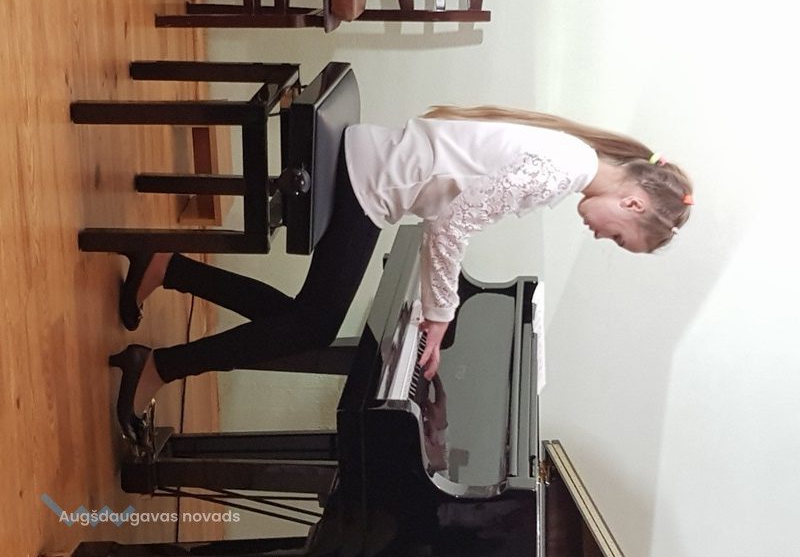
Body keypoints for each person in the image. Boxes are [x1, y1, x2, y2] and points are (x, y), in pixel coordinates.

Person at [109, 106, 694, 443]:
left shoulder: (571, 158)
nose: (602, 237)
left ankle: (169, 268)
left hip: (374, 171)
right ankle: (159, 365)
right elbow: (449, 225)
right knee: (311, 326)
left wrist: (441, 303)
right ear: (634, 204)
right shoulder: (561, 171)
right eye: (619, 236)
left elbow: (453, 216)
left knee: (304, 320)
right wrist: (439, 316)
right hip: (370, 181)